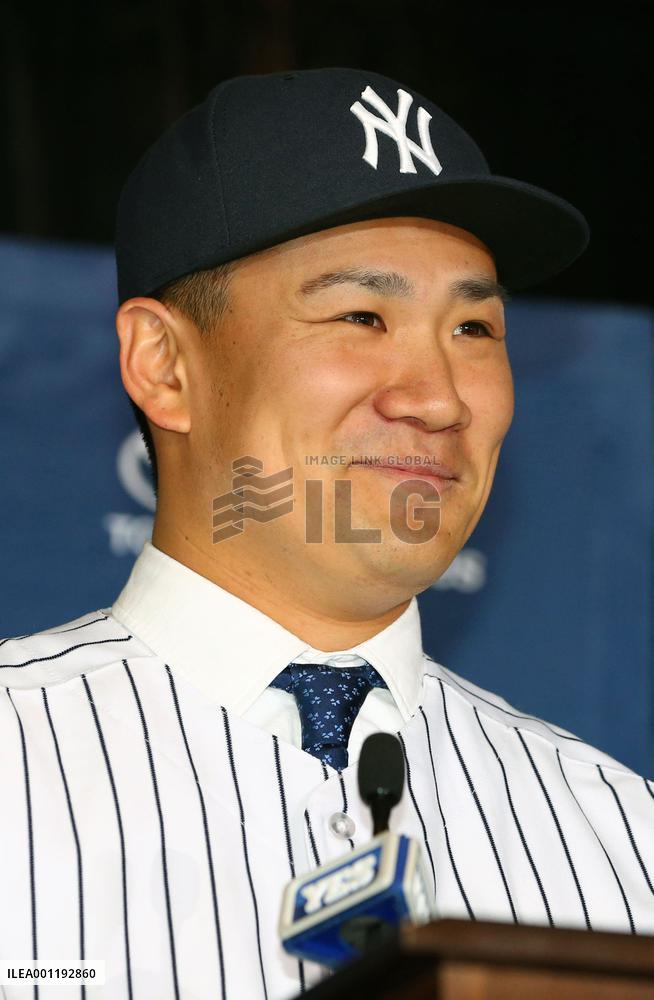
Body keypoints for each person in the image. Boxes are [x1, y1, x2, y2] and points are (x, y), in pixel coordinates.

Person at [1, 68, 652, 1000]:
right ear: (164, 365)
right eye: (360, 316)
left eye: (474, 327)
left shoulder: (621, 838)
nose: (434, 397)